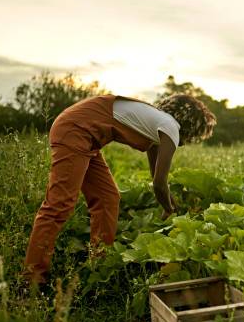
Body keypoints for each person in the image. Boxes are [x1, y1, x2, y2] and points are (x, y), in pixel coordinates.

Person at [22, 94, 216, 285]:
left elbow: (156, 178)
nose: (188, 142)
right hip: (76, 130)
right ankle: (32, 279)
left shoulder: (157, 124)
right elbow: (159, 183)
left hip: (86, 136)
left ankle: (99, 263)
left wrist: (166, 200)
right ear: (191, 127)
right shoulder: (171, 127)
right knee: (59, 204)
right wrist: (170, 209)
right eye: (194, 137)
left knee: (107, 198)